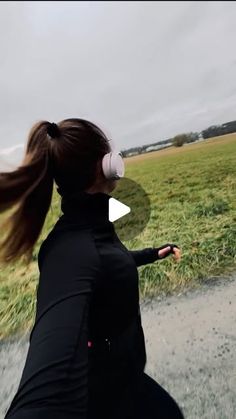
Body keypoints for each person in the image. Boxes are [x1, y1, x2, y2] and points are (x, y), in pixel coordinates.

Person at [1, 118, 184, 419]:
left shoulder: (91, 224)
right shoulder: (71, 252)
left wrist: (152, 254)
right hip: (103, 400)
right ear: (106, 165)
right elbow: (44, 392)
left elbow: (108, 263)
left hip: (125, 382)